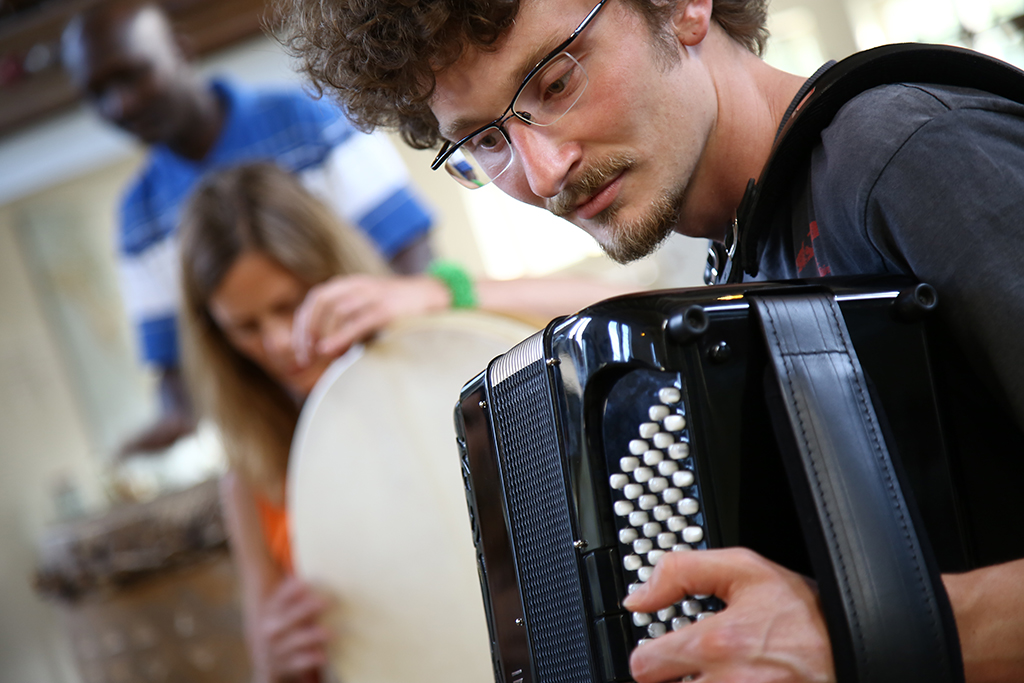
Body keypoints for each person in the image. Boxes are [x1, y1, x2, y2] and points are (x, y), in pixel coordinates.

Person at [279, 0, 1024, 681]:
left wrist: (848, 634)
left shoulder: (906, 157)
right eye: (485, 140)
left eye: (557, 80)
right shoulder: (736, 261)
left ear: (684, 8)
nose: (542, 174)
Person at [177, 161, 631, 682]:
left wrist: (440, 294)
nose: (278, 341)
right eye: (245, 327)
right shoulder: (251, 478)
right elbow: (270, 660)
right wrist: (273, 665)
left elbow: (619, 313)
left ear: (331, 274)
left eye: (289, 305)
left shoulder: (441, 352)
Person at [60, 0, 435, 456]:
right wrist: (169, 424)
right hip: (285, 434)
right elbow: (176, 367)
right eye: (98, 93)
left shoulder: (309, 121)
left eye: (133, 75)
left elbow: (411, 258)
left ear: (179, 51)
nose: (122, 103)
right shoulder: (140, 217)